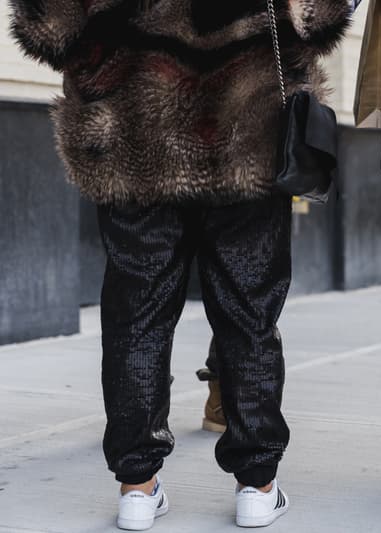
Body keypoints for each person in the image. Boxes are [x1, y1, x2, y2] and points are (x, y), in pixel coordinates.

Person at [9, 0, 349, 529]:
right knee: (248, 316)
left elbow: (45, 28)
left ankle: (137, 488)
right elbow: (321, 20)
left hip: (133, 132)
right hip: (248, 132)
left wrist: (107, 65)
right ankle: (257, 485)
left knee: (135, 318)